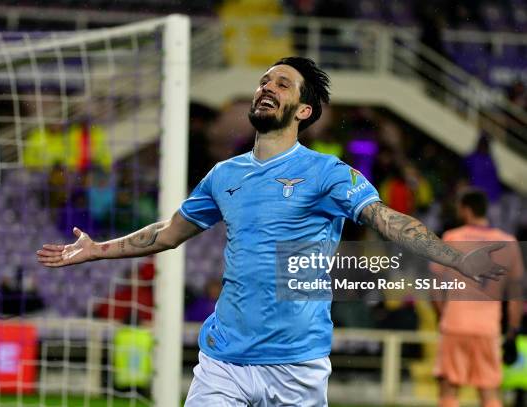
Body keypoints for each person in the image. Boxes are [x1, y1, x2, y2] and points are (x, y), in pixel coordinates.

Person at [37, 57, 507, 406]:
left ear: (303, 111)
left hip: (296, 366)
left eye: (281, 84)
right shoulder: (224, 174)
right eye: (264, 81)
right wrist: (97, 250)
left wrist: (457, 258)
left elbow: (386, 219)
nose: (267, 87)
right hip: (223, 360)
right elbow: (168, 232)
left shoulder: (327, 173)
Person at [431, 189, 523, 407]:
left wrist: (442, 316)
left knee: (449, 391)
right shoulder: (508, 242)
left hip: (455, 323)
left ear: (465, 209)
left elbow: (435, 288)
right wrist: (512, 332)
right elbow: (516, 295)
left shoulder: (452, 238)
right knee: (490, 393)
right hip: (487, 328)